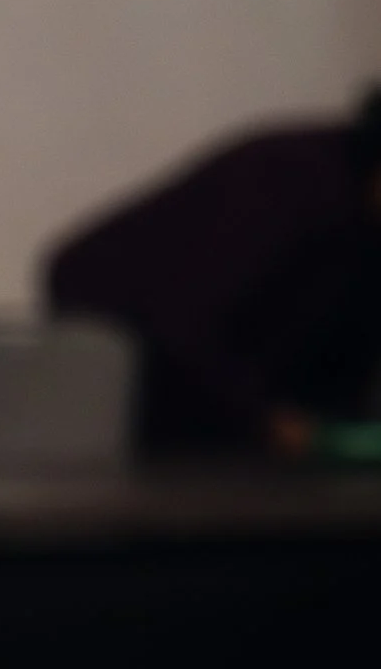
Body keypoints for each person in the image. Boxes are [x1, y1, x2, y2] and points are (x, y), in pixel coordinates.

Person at [47, 92, 381, 456]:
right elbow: (181, 316)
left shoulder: (360, 225)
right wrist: (264, 420)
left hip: (223, 400)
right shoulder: (290, 180)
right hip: (140, 373)